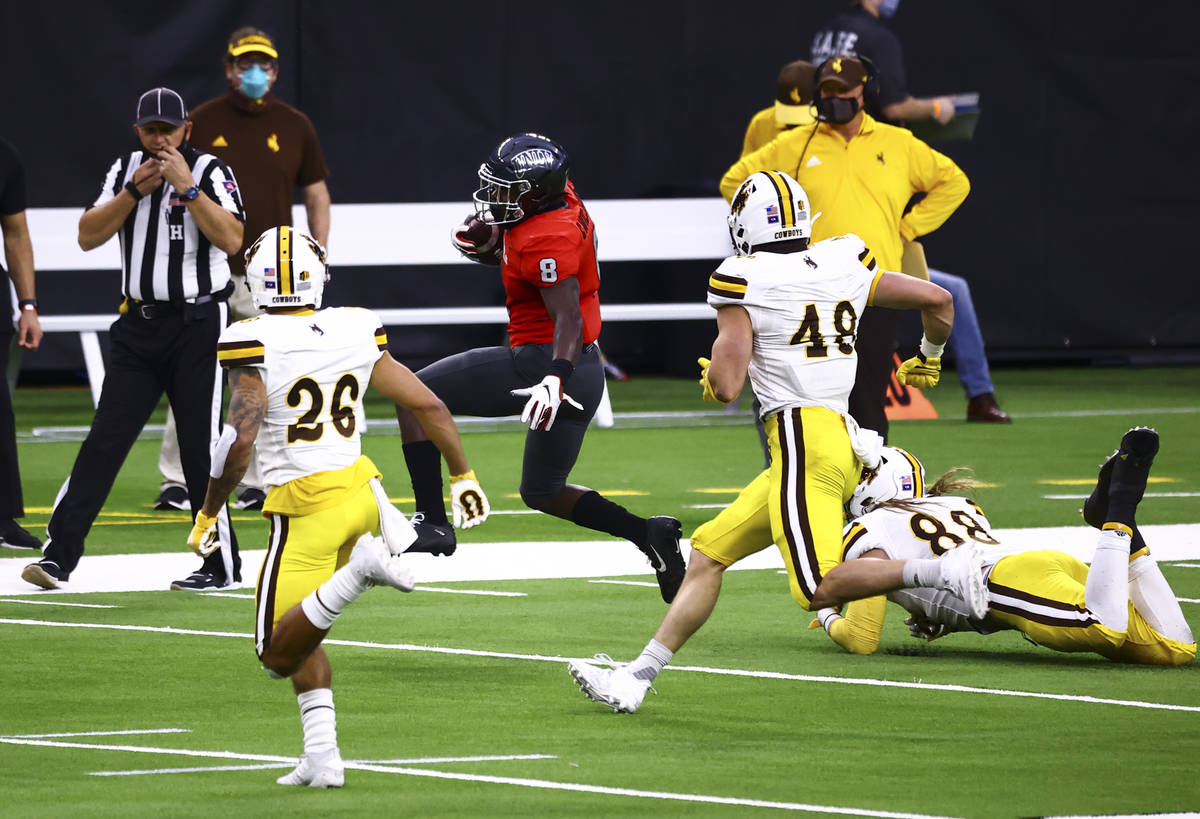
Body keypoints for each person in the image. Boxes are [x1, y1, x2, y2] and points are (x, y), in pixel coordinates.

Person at [566, 170, 970, 714]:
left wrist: (714, 376)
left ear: (742, 226)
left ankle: (943, 570)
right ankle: (637, 676)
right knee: (709, 552)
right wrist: (930, 354)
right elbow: (939, 299)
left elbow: (729, 386)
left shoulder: (743, 276)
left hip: (805, 442)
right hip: (838, 438)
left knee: (819, 587)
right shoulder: (845, 256)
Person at [186, 226, 488, 788]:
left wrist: (208, 510)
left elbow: (237, 441)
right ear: (317, 274)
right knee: (304, 632)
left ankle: (358, 574)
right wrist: (462, 474)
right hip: (361, 494)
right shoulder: (353, 323)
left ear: (253, 282)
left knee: (275, 651)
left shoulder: (250, 336)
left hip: (308, 508)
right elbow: (428, 402)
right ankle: (322, 757)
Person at [404, 132, 686, 602]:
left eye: (505, 188)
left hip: (545, 364)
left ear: (535, 193)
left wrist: (554, 376)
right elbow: (531, 253)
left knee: (413, 395)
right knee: (543, 491)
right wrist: (497, 242)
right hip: (587, 372)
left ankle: (432, 519)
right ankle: (648, 534)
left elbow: (568, 318)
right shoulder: (560, 197)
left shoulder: (546, 237)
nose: (495, 196)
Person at [21, 87, 244, 591]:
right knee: (105, 442)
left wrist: (188, 189)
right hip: (137, 326)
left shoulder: (210, 171)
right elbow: (87, 235)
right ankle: (58, 557)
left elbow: (233, 240)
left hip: (197, 324)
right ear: (138, 131)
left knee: (199, 448)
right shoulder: (125, 170)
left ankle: (218, 562)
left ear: (187, 129)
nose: (161, 138)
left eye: (170, 129)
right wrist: (132, 193)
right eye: (151, 130)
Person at [720, 56, 970, 441]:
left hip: (874, 287)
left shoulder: (898, 143)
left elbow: (954, 182)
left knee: (869, 400)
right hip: (809, 292)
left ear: (863, 92)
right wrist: (773, 238)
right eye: (826, 90)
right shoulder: (794, 144)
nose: (833, 97)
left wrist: (908, 226)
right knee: (801, 401)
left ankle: (872, 493)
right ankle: (798, 477)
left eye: (842, 90)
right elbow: (736, 183)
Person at [810, 428, 1195, 665]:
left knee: (1104, 626)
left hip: (1009, 581)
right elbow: (969, 597)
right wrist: (942, 619)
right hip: (1036, 568)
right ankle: (1118, 523)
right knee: (1175, 649)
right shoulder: (955, 505)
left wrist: (827, 615)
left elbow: (861, 637)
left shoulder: (869, 526)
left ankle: (1121, 506)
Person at [153, 26, 332, 513]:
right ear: (229, 69)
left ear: (274, 70)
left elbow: (315, 190)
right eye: (245, 64)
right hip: (207, 266)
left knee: (264, 375)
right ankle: (177, 477)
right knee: (196, 372)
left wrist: (317, 251)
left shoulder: (295, 124)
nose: (255, 72)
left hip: (271, 274)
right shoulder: (202, 121)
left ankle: (256, 478)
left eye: (264, 64)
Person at [810, 2, 1011, 423]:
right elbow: (899, 107)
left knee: (946, 293)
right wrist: (939, 109)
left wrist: (905, 226)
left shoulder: (828, 35)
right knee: (946, 293)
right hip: (855, 260)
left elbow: (953, 181)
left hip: (849, 250)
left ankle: (959, 381)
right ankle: (978, 393)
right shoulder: (875, 40)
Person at [809, 0, 955, 127]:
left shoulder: (825, 33)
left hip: (822, 134)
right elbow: (894, 108)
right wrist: (936, 107)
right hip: (864, 142)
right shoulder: (879, 38)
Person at [0, 137, 44, 550]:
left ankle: (2, 516)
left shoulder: (4, 154)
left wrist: (27, 305)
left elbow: (15, 233)